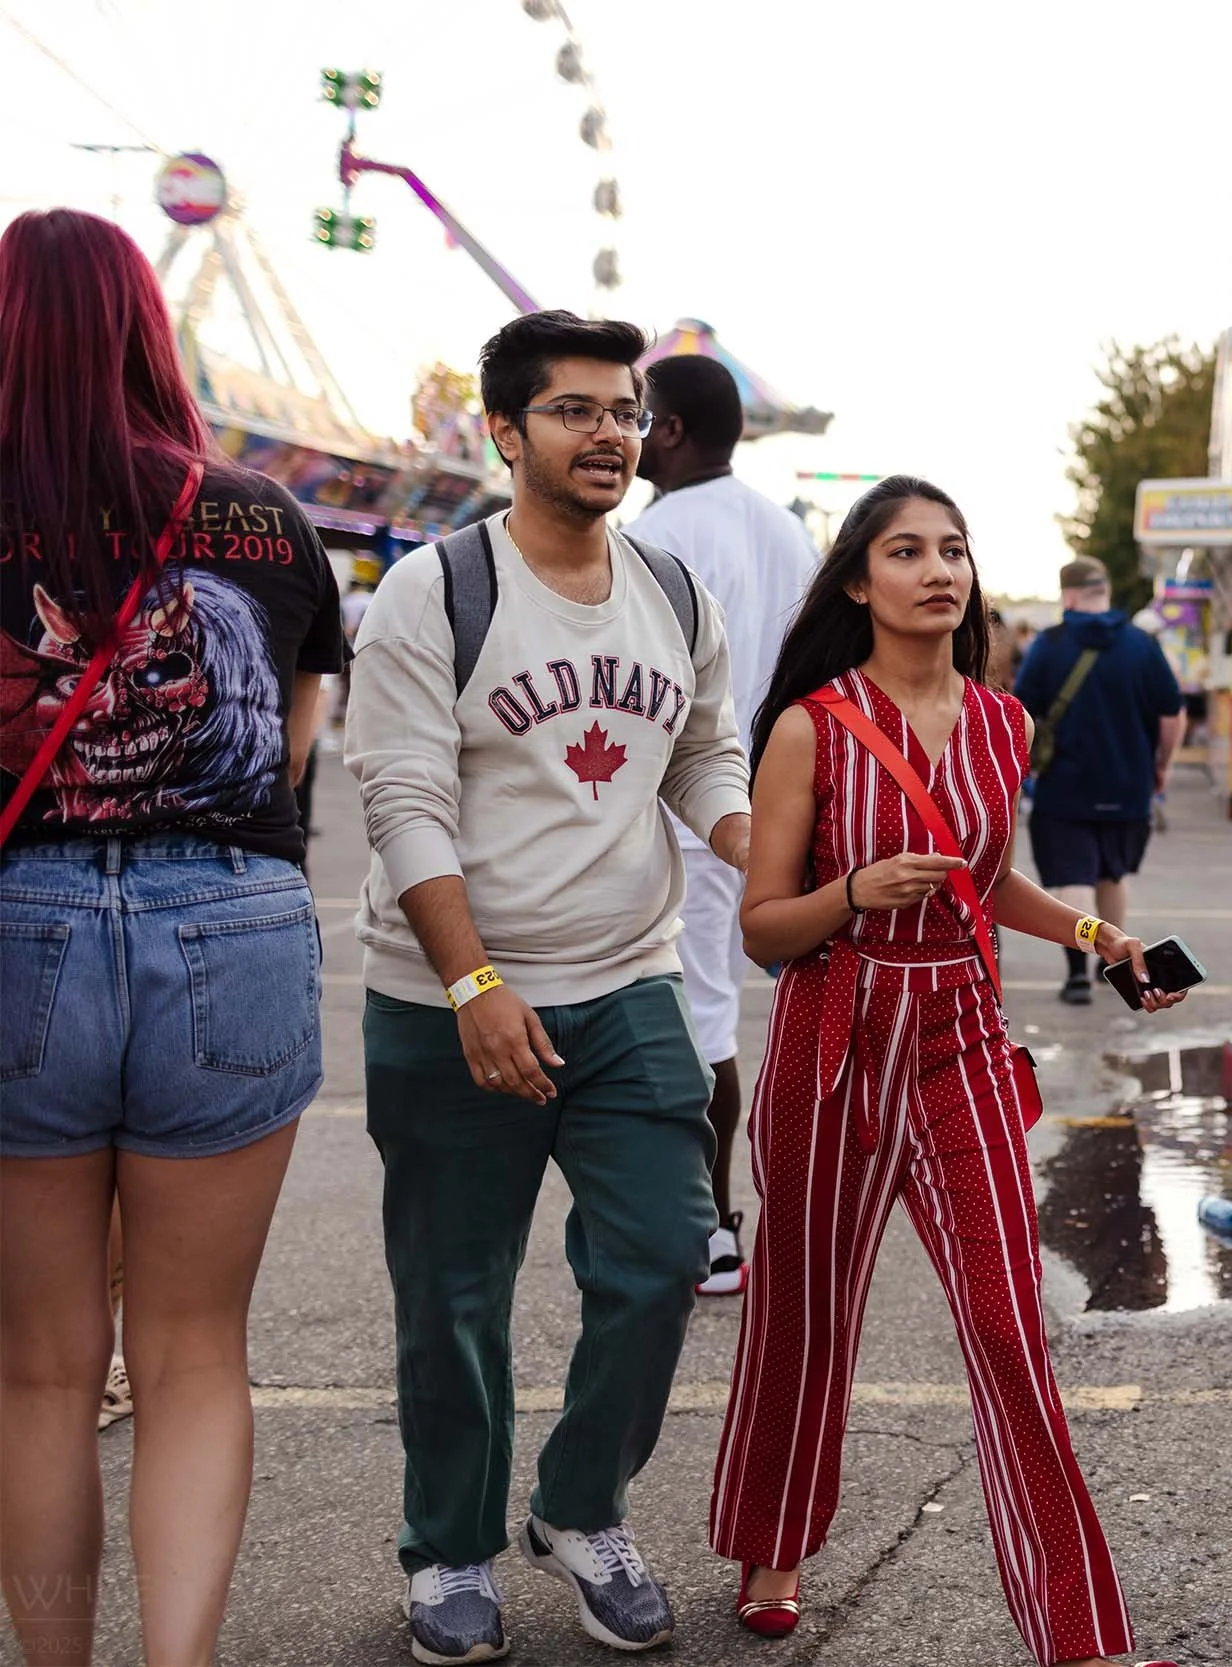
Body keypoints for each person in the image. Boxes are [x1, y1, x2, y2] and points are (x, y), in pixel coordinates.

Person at [709, 477, 1183, 1667]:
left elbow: (987, 877)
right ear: (857, 581)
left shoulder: (1002, 723)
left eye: (954, 550)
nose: (937, 570)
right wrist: (850, 890)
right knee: (804, 1310)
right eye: (907, 550)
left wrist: (1097, 934)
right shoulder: (810, 726)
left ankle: (1079, 1635)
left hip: (959, 1035)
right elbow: (763, 923)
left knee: (1008, 1322)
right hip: (832, 1031)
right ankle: (773, 1542)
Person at [346, 310, 751, 1662]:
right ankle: (450, 1547)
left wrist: (754, 844)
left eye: (624, 410)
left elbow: (703, 752)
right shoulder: (435, 590)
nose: (609, 433)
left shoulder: (674, 592)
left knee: (663, 1254)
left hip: (626, 981)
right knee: (454, 1294)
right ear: (506, 433)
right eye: (575, 410)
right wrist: (472, 982)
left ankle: (580, 1506)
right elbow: (403, 797)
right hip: (447, 997)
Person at [0, 209, 341, 1667]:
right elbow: (291, 751)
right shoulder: (264, 514)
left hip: (21, 922)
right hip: (232, 916)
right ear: (151, 329)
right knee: (196, 1354)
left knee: (39, 1370)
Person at [630, 351, 817, 1300]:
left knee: (697, 1014)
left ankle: (712, 1228)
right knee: (733, 1007)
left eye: (638, 417)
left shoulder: (654, 533)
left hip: (688, 807)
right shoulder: (787, 531)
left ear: (669, 430)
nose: (625, 435)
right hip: (777, 802)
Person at [1014, 557, 1184, 1005]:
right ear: (1104, 590)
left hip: (1064, 787)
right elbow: (1171, 714)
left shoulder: (1049, 644)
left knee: (1075, 878)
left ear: (1068, 595)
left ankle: (1077, 977)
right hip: (1129, 786)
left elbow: (1020, 714)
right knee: (1112, 874)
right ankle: (1116, 964)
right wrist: (1162, 764)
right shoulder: (1141, 645)